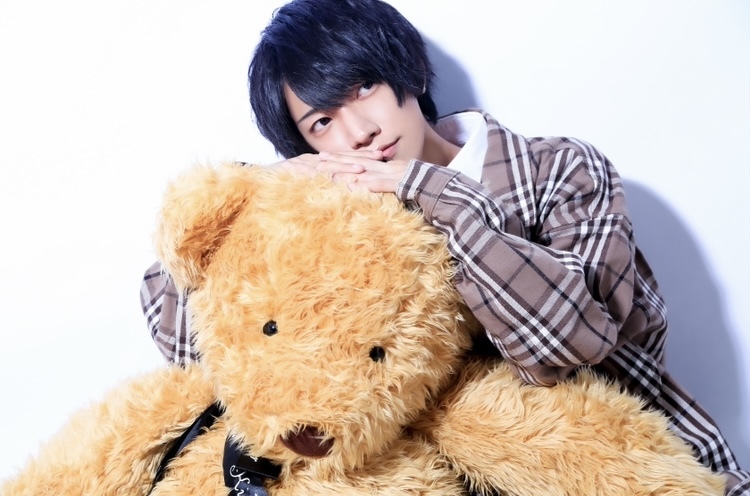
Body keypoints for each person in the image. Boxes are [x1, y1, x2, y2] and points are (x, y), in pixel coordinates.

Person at [139, 0, 750, 493]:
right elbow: (194, 348)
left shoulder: (559, 171)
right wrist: (261, 191)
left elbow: (571, 347)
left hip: (629, 466)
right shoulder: (336, 222)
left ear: (407, 70)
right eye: (322, 122)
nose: (360, 132)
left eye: (364, 87)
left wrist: (437, 196)